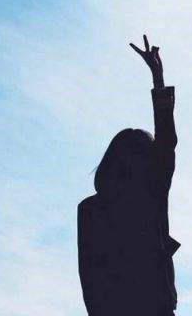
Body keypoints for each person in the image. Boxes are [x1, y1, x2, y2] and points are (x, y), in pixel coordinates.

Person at [77, 35, 180, 316]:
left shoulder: (91, 209)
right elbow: (90, 276)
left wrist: (158, 80)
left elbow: (88, 278)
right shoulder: (150, 196)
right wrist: (158, 79)